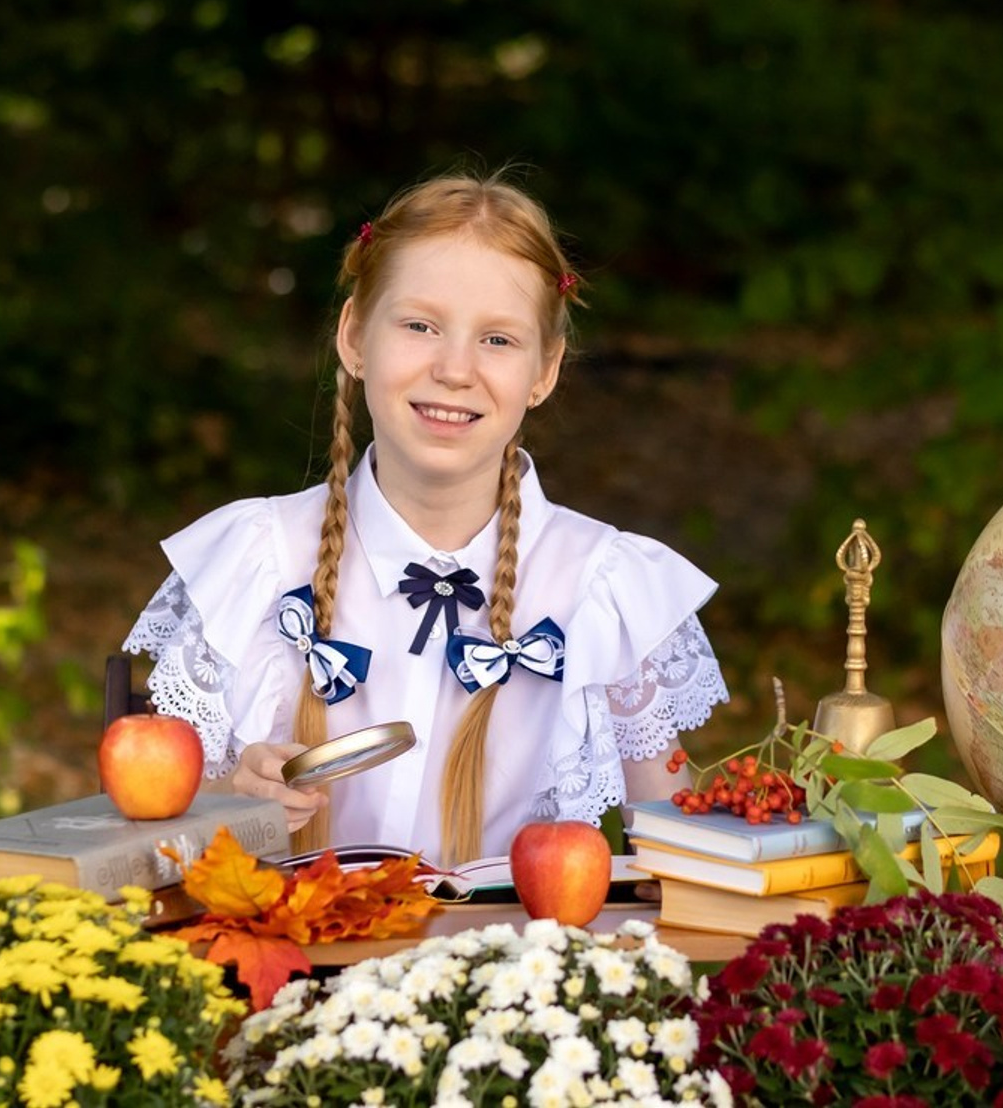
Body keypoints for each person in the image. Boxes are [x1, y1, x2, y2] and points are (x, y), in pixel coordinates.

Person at [123, 171, 729, 865]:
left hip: (508, 969)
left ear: (546, 370)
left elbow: (684, 861)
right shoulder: (253, 561)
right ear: (354, 337)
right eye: (419, 325)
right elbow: (142, 854)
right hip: (283, 965)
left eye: (498, 340)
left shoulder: (608, 588)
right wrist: (236, 798)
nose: (454, 369)